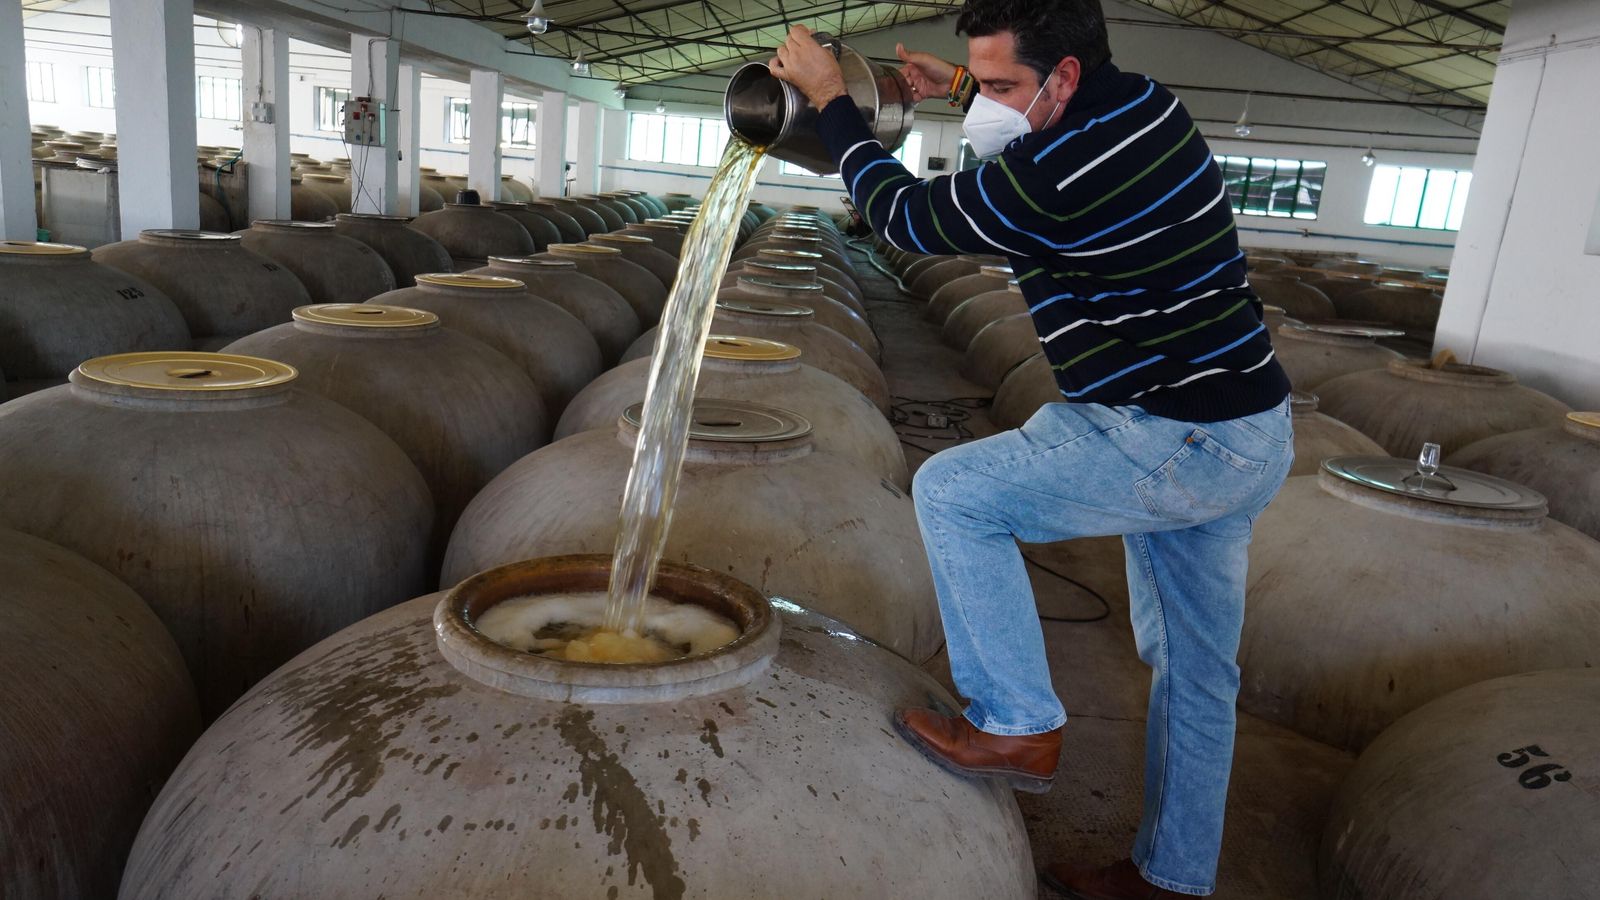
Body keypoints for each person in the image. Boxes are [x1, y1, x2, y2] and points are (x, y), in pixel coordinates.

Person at [768, 2, 1293, 897]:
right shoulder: (1145, 106)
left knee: (957, 492)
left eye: (1007, 86)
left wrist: (832, 103)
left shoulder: (1059, 174)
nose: (994, 102)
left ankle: (1017, 721)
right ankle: (1172, 879)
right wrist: (964, 83)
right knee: (1198, 676)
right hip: (1245, 427)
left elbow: (901, 217)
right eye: (989, 81)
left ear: (1067, 75)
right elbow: (1032, 111)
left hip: (1174, 433)